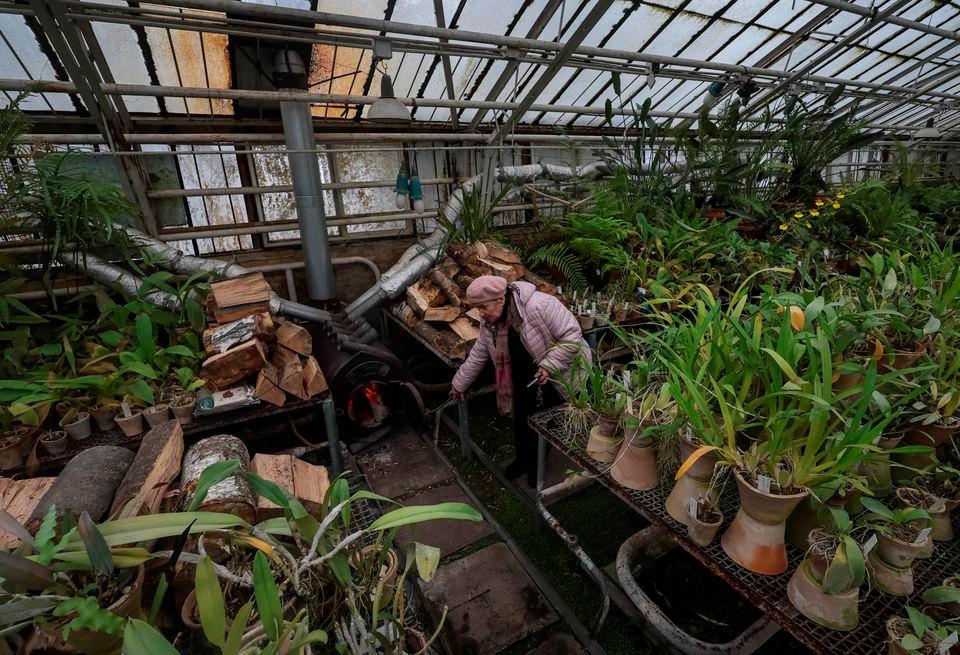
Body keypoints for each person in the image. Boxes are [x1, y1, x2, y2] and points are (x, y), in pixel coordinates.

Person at [450, 275, 590, 486]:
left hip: (558, 373)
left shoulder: (539, 305)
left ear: (501, 299)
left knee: (546, 423)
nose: (481, 314)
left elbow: (572, 337)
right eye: (477, 308)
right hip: (524, 375)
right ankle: (522, 460)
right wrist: (459, 383)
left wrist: (549, 366)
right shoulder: (490, 323)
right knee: (522, 419)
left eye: (483, 307)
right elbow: (479, 353)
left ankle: (537, 466)